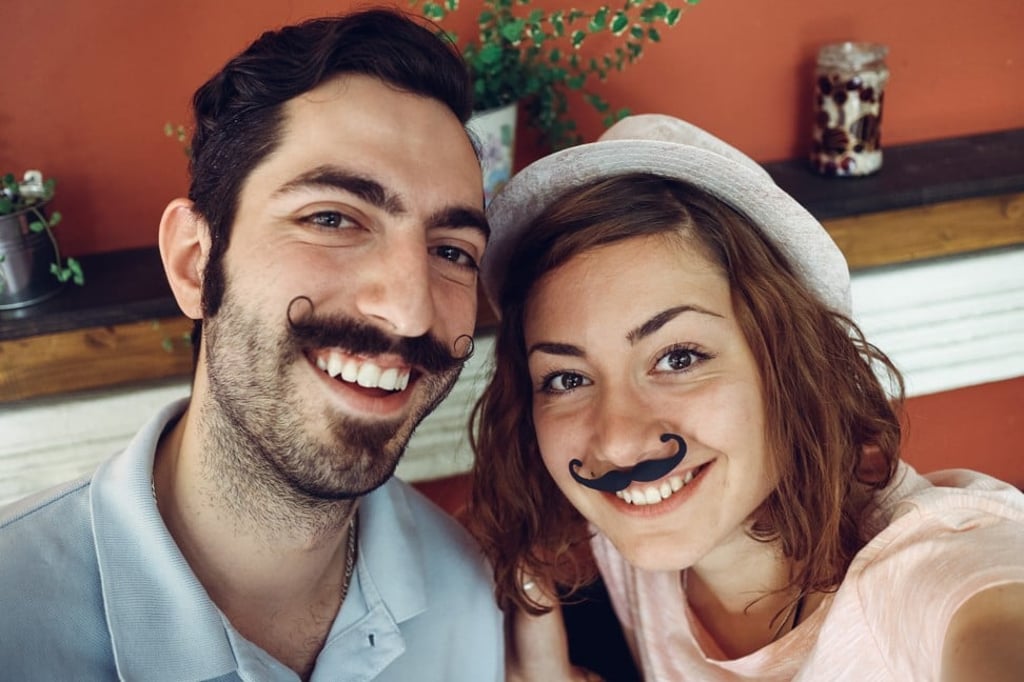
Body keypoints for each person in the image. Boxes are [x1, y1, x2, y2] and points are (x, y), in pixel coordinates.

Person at [0, 9, 503, 680]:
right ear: (192, 263)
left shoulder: (468, 595)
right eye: (331, 218)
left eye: (452, 251)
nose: (410, 312)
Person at [467, 113, 1024, 680]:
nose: (618, 442)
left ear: (786, 363)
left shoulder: (933, 580)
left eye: (678, 358)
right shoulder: (637, 536)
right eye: (566, 378)